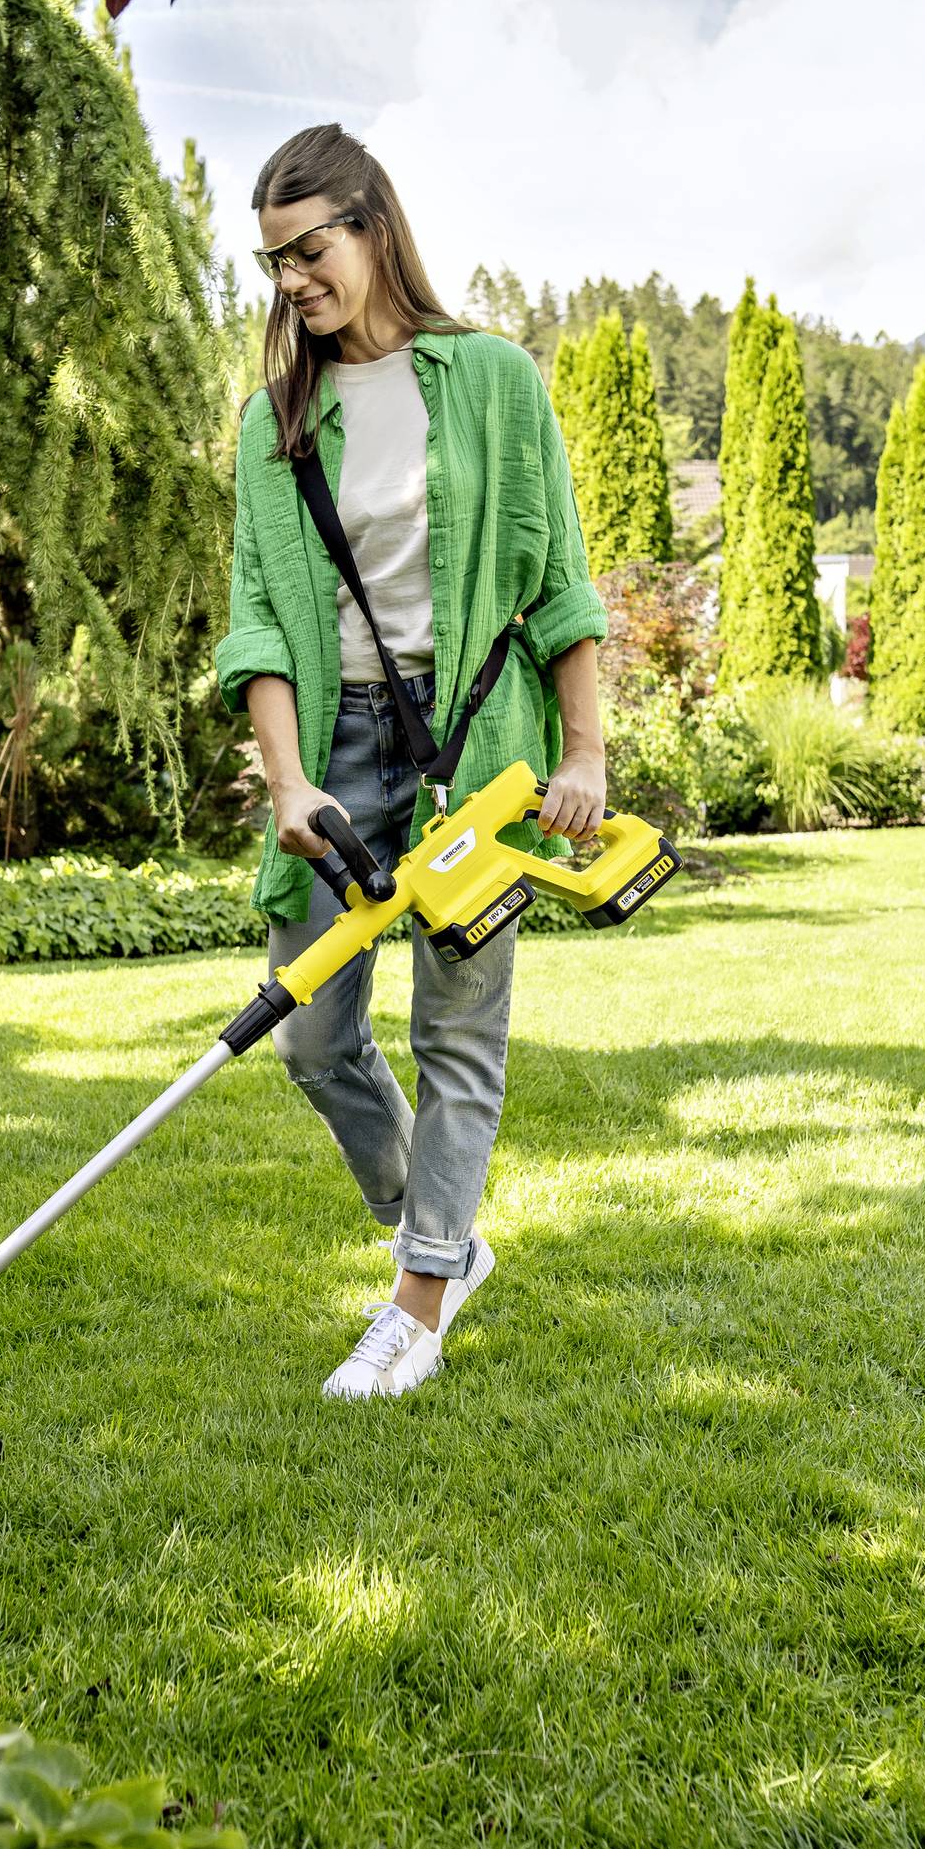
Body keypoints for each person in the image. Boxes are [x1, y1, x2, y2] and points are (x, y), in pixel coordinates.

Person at [214, 123, 610, 1401]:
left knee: (458, 1030)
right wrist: (288, 782)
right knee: (313, 1034)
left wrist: (587, 747)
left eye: (310, 249)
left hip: (476, 744)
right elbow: (260, 620)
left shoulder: (492, 380)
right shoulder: (274, 422)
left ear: (374, 227)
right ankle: (435, 1225)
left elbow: (557, 584)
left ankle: (419, 1298)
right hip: (338, 751)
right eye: (272, 260)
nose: (292, 282)